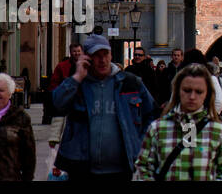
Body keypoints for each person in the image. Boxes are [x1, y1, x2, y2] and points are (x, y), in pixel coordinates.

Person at [50, 34, 158, 181]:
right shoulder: (79, 85)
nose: (102, 60)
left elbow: (152, 113)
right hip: (82, 167)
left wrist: (139, 142)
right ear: (87, 58)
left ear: (111, 54)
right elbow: (57, 104)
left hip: (121, 169)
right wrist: (77, 77)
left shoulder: (129, 83)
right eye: (96, 55)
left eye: (105, 54)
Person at [134, 64, 222, 181]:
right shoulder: (157, 128)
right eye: (187, 90)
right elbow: (143, 168)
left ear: (207, 94)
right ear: (178, 91)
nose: (192, 96)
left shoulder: (217, 130)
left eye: (199, 92)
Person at [0, 72, 35, 181]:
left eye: (1, 90)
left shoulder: (21, 117)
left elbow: (29, 156)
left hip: (10, 177)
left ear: (10, 93)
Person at [43, 42, 84, 127]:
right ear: (70, 52)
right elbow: (54, 84)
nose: (77, 53)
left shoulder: (87, 66)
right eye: (74, 51)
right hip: (65, 101)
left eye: (78, 51)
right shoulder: (62, 66)